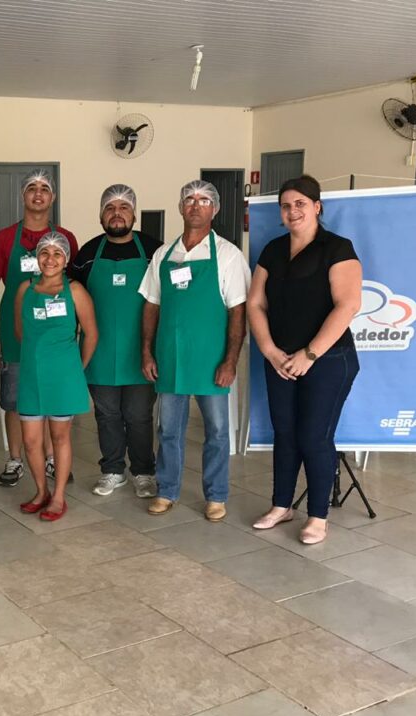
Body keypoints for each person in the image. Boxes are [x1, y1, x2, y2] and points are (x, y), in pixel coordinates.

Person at [247, 175, 362, 544]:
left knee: (314, 436)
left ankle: (317, 516)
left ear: (317, 207)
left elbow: (348, 305)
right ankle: (282, 505)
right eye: (286, 205)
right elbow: (255, 303)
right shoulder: (272, 250)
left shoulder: (337, 247)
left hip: (328, 360)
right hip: (279, 358)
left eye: (300, 203)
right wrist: (269, 350)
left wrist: (310, 354)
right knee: (285, 434)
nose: (292, 211)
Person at [140, 180, 250, 522]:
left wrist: (230, 360)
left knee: (217, 431)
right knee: (169, 430)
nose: (196, 205)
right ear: (180, 207)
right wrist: (147, 351)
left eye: (204, 200)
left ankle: (216, 496)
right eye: (189, 199)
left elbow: (238, 311)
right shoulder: (164, 254)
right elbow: (152, 305)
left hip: (211, 360)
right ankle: (167, 490)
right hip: (171, 358)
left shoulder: (228, 255)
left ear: (214, 209)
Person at [0, 169, 79, 486]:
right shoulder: (3, 239)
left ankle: (51, 459)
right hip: (15, 335)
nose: (38, 194)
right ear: (23, 196)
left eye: (45, 189)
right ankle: (15, 459)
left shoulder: (66, 238)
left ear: (53, 197)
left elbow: (73, 286)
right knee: (14, 399)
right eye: (32, 188)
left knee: (51, 397)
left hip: (54, 341)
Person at [69, 184, 162, 498]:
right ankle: (112, 470)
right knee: (106, 414)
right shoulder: (86, 255)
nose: (117, 213)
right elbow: (71, 298)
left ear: (134, 213)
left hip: (142, 351)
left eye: (123, 207)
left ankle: (143, 472)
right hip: (99, 350)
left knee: (139, 415)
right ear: (100, 214)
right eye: (110, 208)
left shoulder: (154, 252)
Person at [14, 233, 97, 522]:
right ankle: (41, 491)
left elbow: (91, 333)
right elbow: (19, 329)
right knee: (31, 441)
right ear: (37, 257)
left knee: (60, 437)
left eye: (57, 254)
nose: (50, 259)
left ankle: (58, 496)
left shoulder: (75, 291)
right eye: (44, 253)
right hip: (31, 375)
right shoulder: (25, 288)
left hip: (64, 376)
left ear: (66, 260)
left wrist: (77, 366)